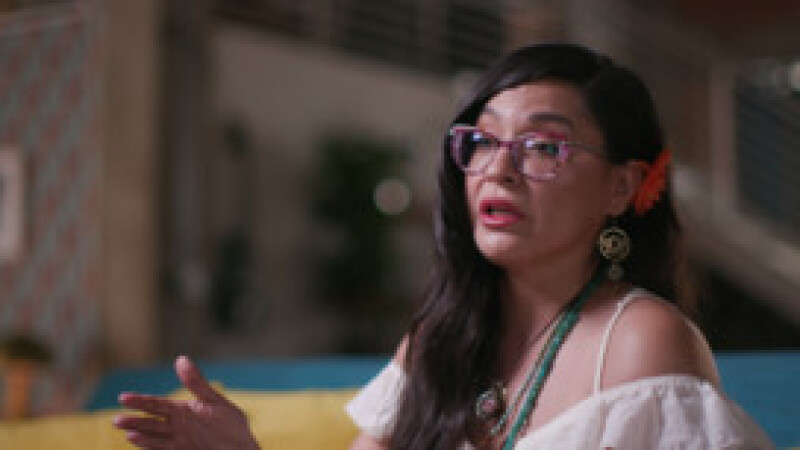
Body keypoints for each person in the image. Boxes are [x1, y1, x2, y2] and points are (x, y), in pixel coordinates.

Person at [113, 43, 774, 449]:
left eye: (544, 146)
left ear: (622, 186)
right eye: (482, 141)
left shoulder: (640, 339)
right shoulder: (441, 337)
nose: (498, 169)